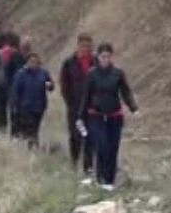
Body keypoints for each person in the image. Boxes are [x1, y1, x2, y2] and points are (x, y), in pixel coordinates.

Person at [78, 42, 139, 191]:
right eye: (103, 56)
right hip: (96, 116)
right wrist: (80, 116)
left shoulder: (118, 73)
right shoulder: (92, 74)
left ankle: (110, 181)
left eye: (108, 56)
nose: (105, 59)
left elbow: (126, 92)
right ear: (98, 57)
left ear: (112, 57)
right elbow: (85, 96)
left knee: (113, 148)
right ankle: (101, 178)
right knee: (102, 146)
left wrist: (134, 108)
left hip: (114, 116)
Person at [61, 34, 97, 178]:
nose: (86, 48)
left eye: (88, 46)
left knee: (90, 137)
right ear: (78, 46)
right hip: (75, 107)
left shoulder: (96, 63)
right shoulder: (69, 63)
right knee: (76, 136)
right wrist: (70, 102)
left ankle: (88, 168)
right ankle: (74, 162)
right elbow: (64, 84)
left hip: (92, 107)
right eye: (83, 45)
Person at [9, 53, 54, 150]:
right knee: (28, 130)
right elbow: (15, 92)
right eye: (31, 62)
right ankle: (30, 148)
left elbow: (51, 86)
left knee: (35, 128)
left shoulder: (43, 73)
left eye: (36, 62)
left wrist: (49, 85)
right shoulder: (21, 74)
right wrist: (15, 107)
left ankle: (33, 148)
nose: (34, 64)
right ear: (27, 62)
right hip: (25, 107)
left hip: (39, 106)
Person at [0, 34, 20, 134]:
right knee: (7, 109)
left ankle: (6, 130)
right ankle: (7, 130)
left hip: (6, 85)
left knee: (4, 109)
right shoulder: (14, 54)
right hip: (4, 85)